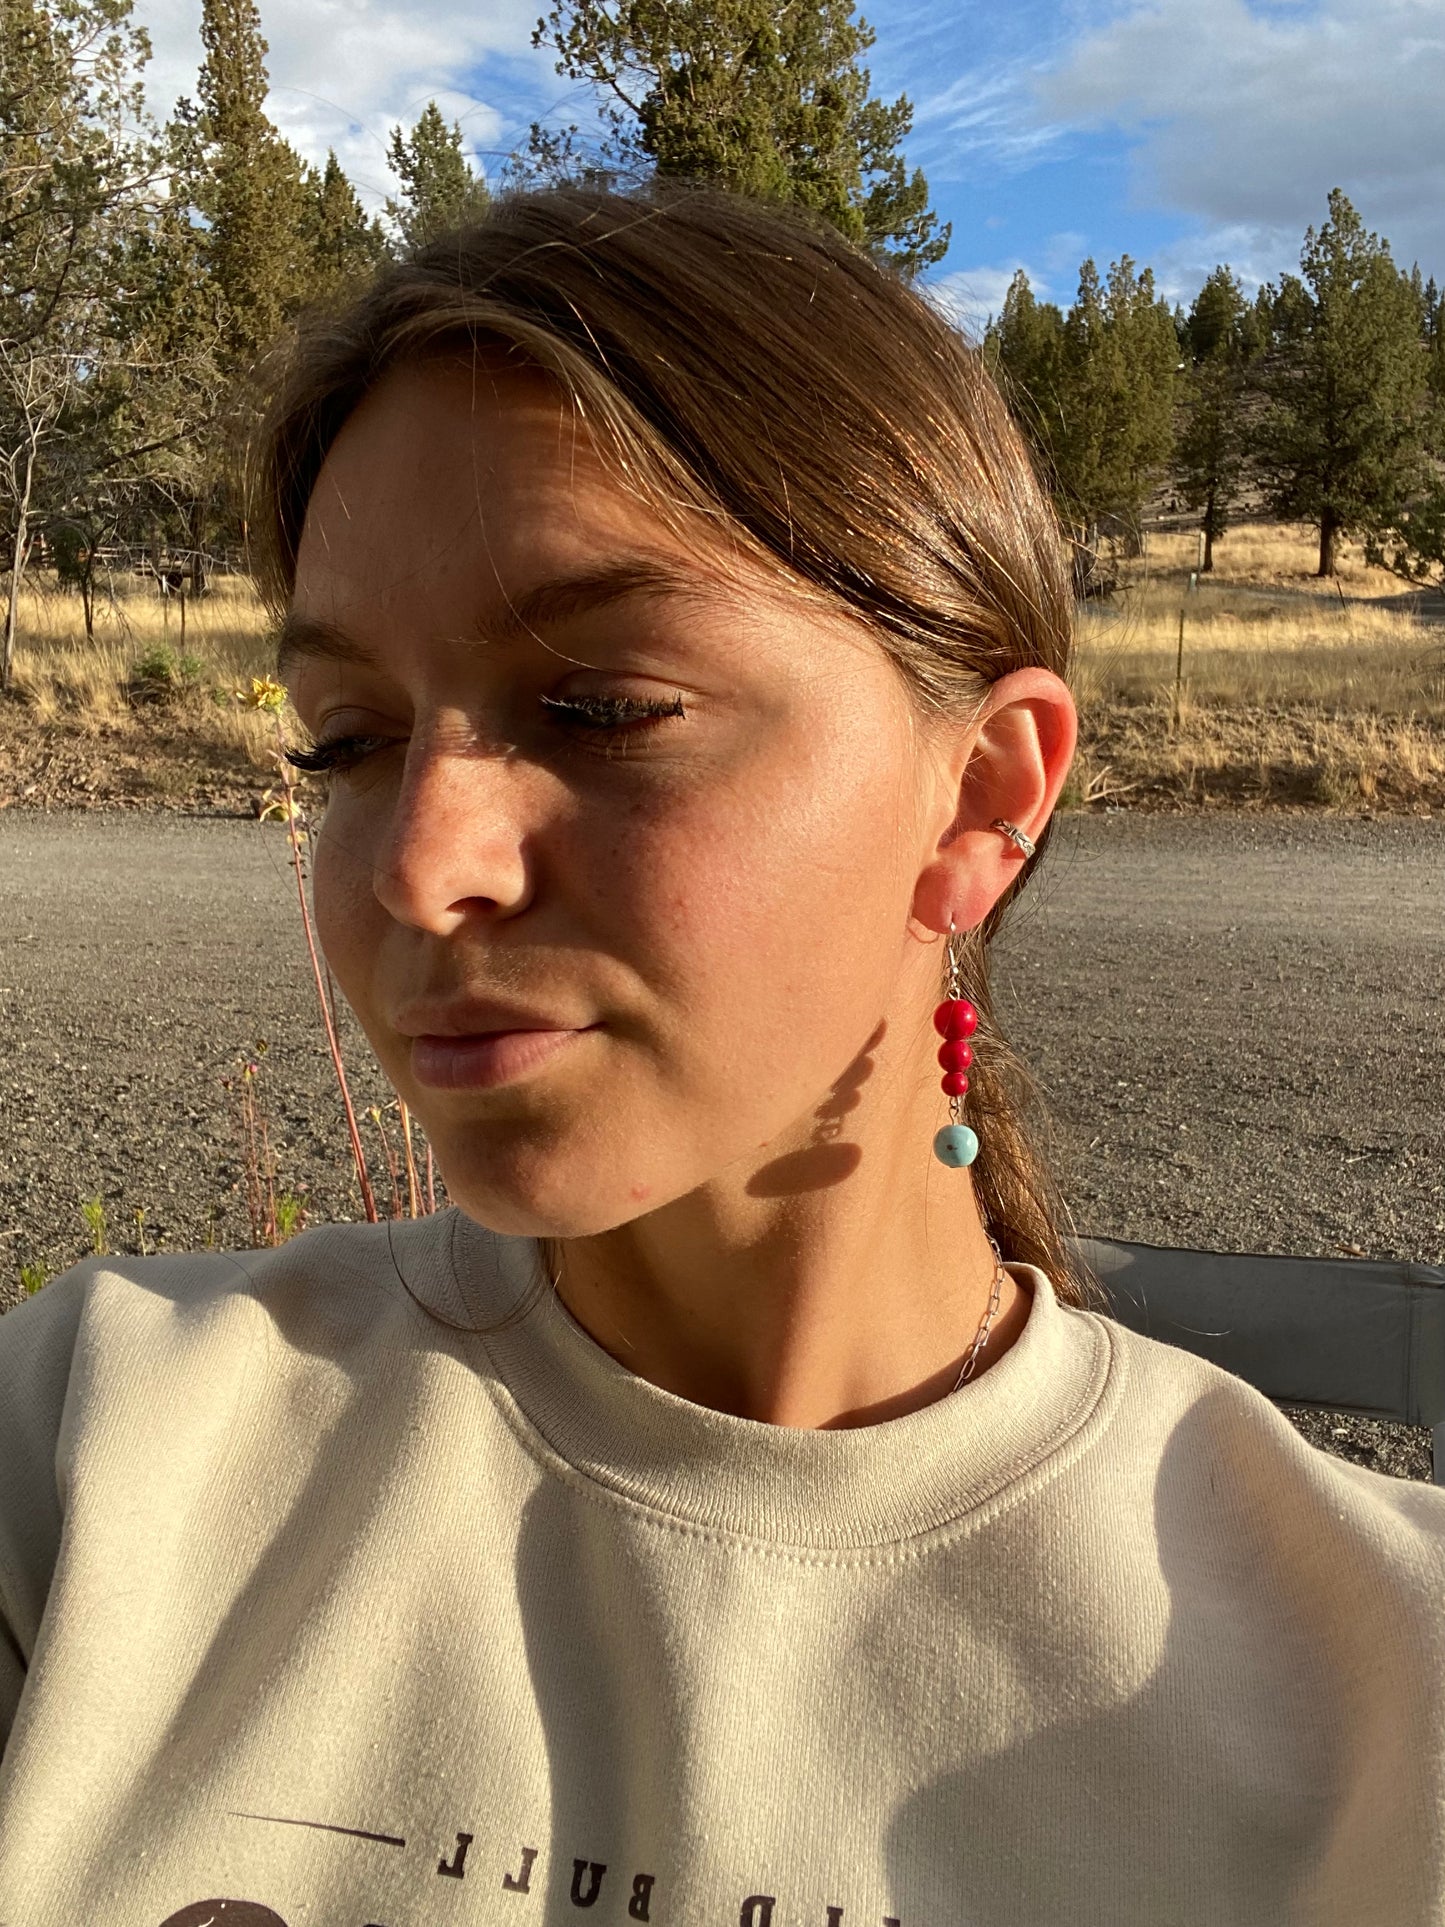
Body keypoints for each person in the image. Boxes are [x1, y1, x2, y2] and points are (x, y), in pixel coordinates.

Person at [0, 184, 1441, 1927]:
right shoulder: (95, 1452)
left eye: (599, 708)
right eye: (347, 741)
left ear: (979, 797)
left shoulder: (1383, 1705)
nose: (416, 861)